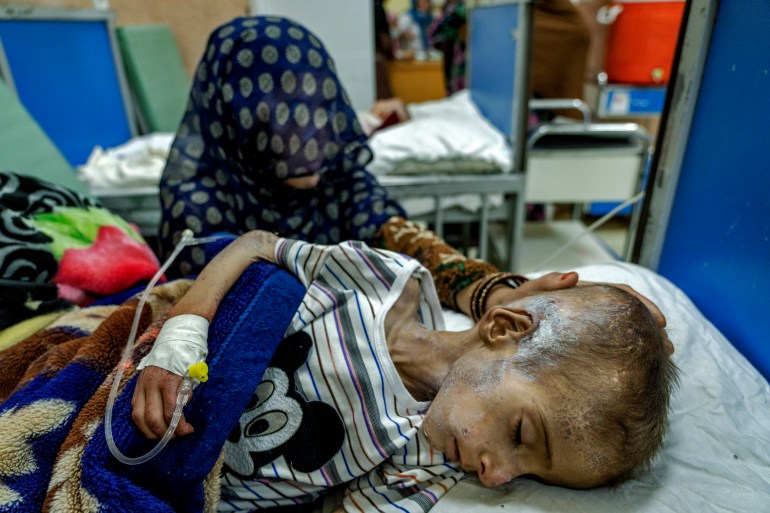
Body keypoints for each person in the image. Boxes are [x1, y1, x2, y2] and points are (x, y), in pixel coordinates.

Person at [132, 229, 677, 511]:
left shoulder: (427, 460)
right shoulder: (382, 281)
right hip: (156, 376)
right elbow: (255, 250)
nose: (496, 475)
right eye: (519, 434)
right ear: (504, 329)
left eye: (527, 475)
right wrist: (182, 336)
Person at [157, 15, 531, 318]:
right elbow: (244, 297)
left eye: (319, 109)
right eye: (286, 115)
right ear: (236, 119)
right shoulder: (196, 202)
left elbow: (402, 238)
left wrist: (486, 292)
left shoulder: (339, 176)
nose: (312, 135)